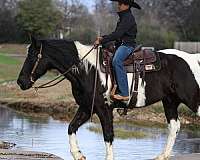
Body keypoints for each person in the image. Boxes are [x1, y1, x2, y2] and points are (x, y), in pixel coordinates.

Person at [95, 0, 141, 101]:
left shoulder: (128, 18)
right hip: (121, 44)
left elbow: (117, 35)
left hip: (127, 45)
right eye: (118, 3)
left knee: (117, 61)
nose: (118, 5)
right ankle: (114, 86)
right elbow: (116, 33)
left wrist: (102, 39)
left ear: (127, 5)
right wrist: (103, 38)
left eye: (120, 3)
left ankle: (125, 93)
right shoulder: (123, 17)